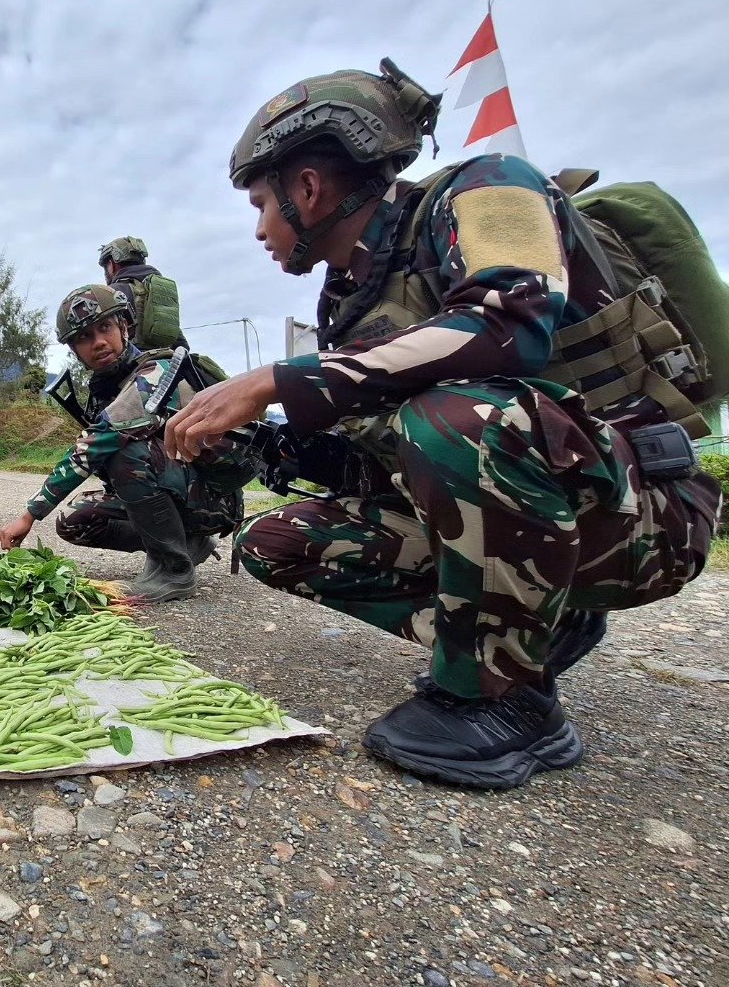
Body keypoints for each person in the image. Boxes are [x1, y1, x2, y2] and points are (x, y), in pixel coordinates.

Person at [164, 59, 721, 789]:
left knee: (459, 420)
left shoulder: (490, 186)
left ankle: (504, 701)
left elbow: (509, 324)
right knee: (276, 543)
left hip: (643, 510)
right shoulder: (353, 299)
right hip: (541, 507)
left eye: (262, 203)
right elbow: (392, 453)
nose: (261, 229)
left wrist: (278, 381)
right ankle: (531, 631)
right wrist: (282, 447)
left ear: (308, 188)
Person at [0, 285, 250, 602]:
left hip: (214, 498)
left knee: (122, 452)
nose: (97, 343)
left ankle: (174, 570)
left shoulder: (154, 373)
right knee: (76, 522)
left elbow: (96, 444)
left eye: (105, 328)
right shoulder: (108, 385)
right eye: (83, 337)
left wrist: (28, 516)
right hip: (184, 490)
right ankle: (189, 542)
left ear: (124, 327)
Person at [98, 236, 189, 350]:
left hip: (133, 365)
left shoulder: (110, 293)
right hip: (168, 362)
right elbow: (182, 344)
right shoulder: (158, 290)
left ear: (111, 265)